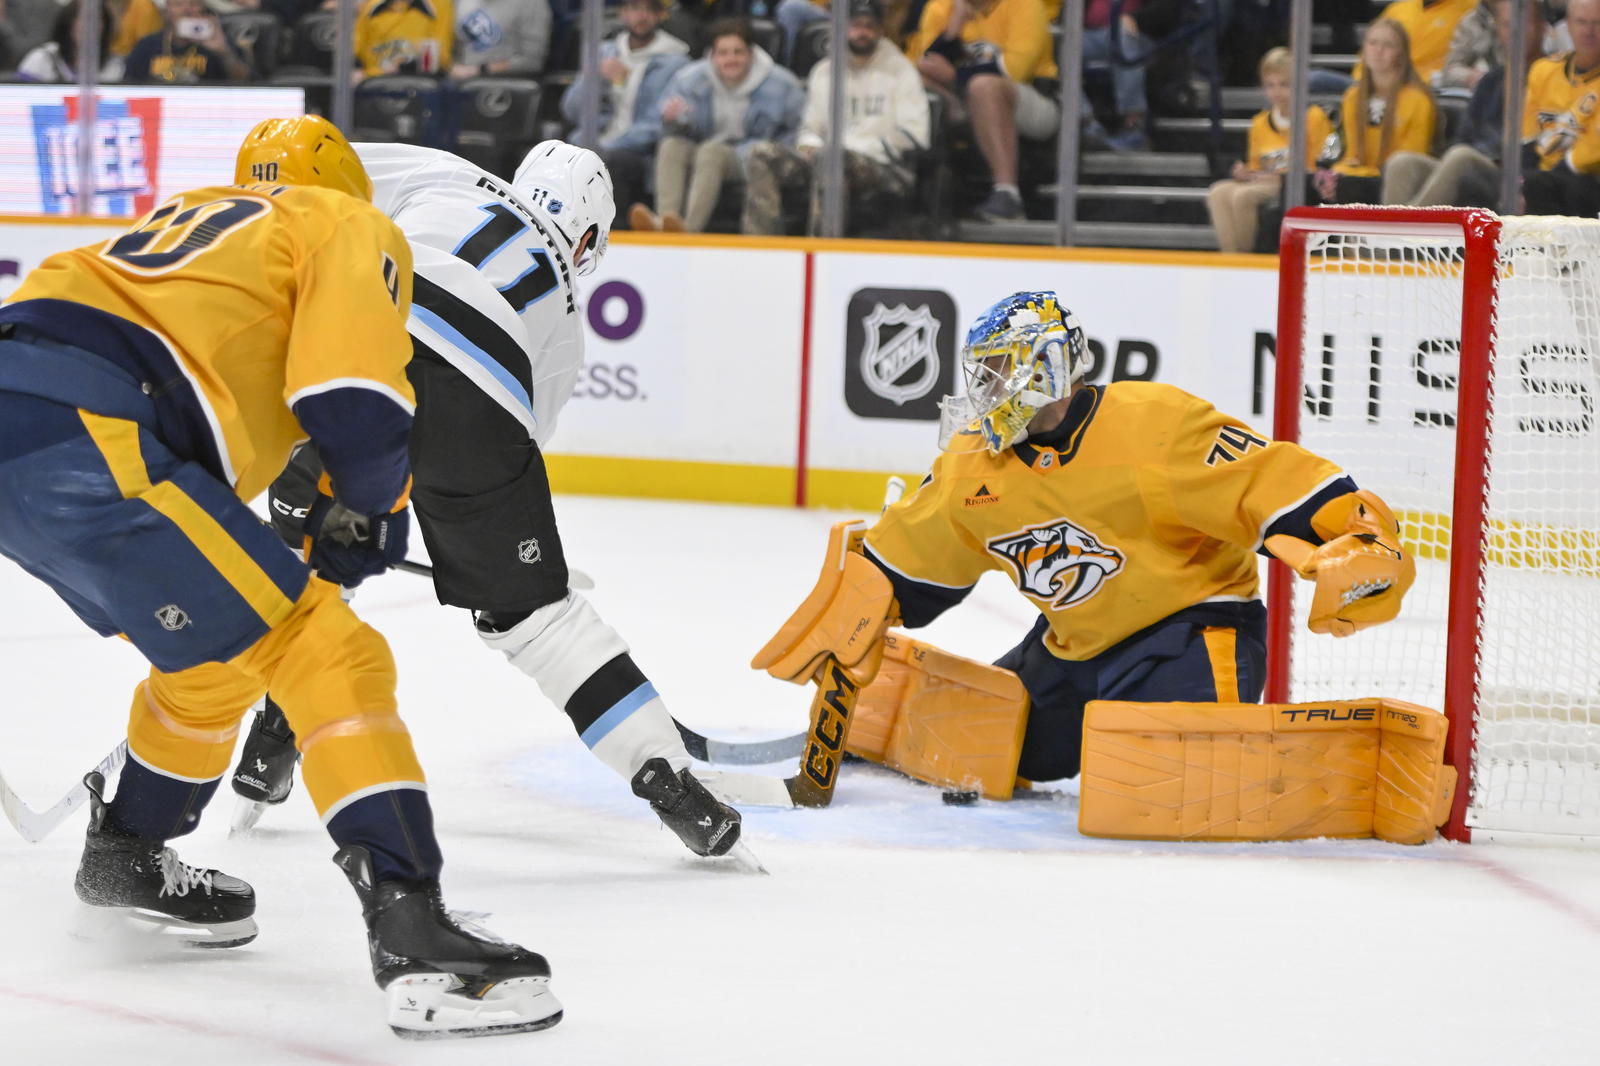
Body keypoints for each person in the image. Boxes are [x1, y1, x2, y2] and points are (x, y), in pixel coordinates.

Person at [0, 115, 560, 1040]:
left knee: (218, 657)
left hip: (41, 412)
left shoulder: (194, 217)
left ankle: (127, 856)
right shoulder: (345, 223)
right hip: (93, 430)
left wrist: (341, 505)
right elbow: (356, 400)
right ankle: (416, 933)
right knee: (324, 648)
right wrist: (372, 507)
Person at [229, 139, 747, 862]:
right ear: (590, 237)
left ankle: (267, 739)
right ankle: (666, 775)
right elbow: (504, 444)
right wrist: (492, 562)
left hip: (370, 336)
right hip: (488, 396)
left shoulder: (448, 173)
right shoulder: (567, 315)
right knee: (538, 623)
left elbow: (319, 174)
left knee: (310, 564)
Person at [755, 291, 1415, 794]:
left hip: (1190, 632)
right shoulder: (971, 464)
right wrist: (867, 594)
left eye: (999, 375)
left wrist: (1353, 535)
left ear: (1050, 368)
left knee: (1154, 777)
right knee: (997, 754)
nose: (985, 395)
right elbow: (918, 558)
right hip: (1072, 647)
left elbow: (1271, 483)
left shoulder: (1153, 427)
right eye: (979, 376)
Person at [742, 0, 930, 236]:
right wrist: (810, 145)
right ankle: (761, 246)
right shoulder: (824, 71)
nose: (863, 32)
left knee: (831, 158)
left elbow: (914, 135)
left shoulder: (901, 71)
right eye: (856, 25)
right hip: (826, 157)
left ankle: (823, 246)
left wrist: (847, 147)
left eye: (869, 25)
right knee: (761, 154)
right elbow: (810, 127)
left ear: (881, 29)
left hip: (882, 166)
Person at [631, 17, 804, 233]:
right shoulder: (689, 79)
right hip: (704, 147)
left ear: (751, 53)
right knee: (671, 145)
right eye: (723, 53)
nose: (730, 59)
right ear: (712, 56)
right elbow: (663, 128)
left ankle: (688, 231)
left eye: (737, 52)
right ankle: (665, 222)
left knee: (710, 152)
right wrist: (673, 120)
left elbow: (791, 134)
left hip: (751, 156)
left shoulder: (782, 84)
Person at [907, 0, 1058, 222]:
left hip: (1033, 98)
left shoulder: (1025, 4)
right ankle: (923, 194)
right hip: (965, 99)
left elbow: (1016, 70)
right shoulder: (941, 6)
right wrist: (954, 26)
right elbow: (928, 63)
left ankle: (1008, 195)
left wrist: (954, 76)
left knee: (984, 86)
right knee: (917, 81)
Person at [1383, 0, 1543, 206]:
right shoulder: (1490, 81)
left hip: (1510, 173)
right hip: (1472, 164)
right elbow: (1464, 136)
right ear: (1498, 30)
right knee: (1402, 162)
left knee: (1461, 157)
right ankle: (1396, 231)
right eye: (1506, 24)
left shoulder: (1549, 75)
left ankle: (1412, 231)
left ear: (1541, 27)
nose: (1514, 32)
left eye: (1523, 23)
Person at [560, 0, 690, 229]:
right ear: (623, 13)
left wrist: (608, 145)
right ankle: (566, 230)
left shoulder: (676, 62)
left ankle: (612, 235)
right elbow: (571, 109)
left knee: (609, 162)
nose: (642, 17)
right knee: (564, 155)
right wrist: (596, 78)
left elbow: (658, 125)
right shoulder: (603, 53)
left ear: (661, 16)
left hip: (641, 151)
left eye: (650, 10)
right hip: (598, 141)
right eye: (635, 9)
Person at [1206, 46, 1333, 254]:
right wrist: (1244, 172)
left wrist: (1279, 177)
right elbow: (1256, 165)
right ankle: (1230, 257)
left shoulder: (1314, 117)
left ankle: (1246, 257)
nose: (1277, 92)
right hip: (1265, 181)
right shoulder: (1259, 123)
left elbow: (1318, 166)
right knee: (1218, 192)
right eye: (1270, 85)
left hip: (1293, 184)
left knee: (1242, 197)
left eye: (1284, 85)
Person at [1315, 18, 1437, 204]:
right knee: (1318, 183)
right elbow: (1352, 156)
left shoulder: (1418, 101)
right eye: (1372, 43)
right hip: (1358, 178)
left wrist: (1352, 176)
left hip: (1395, 182)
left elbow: (1408, 162)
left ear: (1401, 54)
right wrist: (1335, 175)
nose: (1378, 51)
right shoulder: (1352, 97)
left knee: (1349, 186)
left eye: (1388, 45)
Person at [1520, 0, 1600, 214]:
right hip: (1540, 176)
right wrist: (1522, 183)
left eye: (1597, 23)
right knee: (1478, 178)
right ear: (1568, 25)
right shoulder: (1543, 71)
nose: (1589, 31)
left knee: (1542, 186)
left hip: (1588, 182)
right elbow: (1528, 139)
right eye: (1582, 22)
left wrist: (1535, 182)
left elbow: (1590, 154)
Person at [124, 0, 252, 82]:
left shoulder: (218, 41)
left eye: (193, 4)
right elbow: (128, 87)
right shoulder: (146, 46)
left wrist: (224, 53)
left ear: (203, 9)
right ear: (167, 11)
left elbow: (246, 84)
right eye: (178, 4)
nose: (187, 10)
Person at [1081, 0, 1149, 151]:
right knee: (1059, 44)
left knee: (1122, 35)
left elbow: (1168, 9)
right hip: (1088, 33)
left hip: (1138, 34)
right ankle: (1086, 126)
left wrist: (1135, 18)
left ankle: (1133, 124)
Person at [1361, 0, 1478, 84]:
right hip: (1383, 83)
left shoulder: (1471, 9)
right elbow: (1370, 49)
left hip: (1434, 87)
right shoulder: (1397, 9)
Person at [14, 0, 120, 82]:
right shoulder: (41, 59)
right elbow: (20, 99)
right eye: (83, 18)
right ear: (68, 23)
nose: (90, 26)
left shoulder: (113, 66)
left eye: (98, 19)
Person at [451, 0, 551, 78]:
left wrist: (480, 70)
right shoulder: (460, 2)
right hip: (458, 83)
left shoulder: (532, 3)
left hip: (503, 84)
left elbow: (533, 62)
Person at [355, 0, 453, 76]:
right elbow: (355, 55)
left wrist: (402, 67)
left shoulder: (439, 4)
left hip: (419, 86)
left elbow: (440, 59)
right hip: (376, 88)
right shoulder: (370, 6)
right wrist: (372, 73)